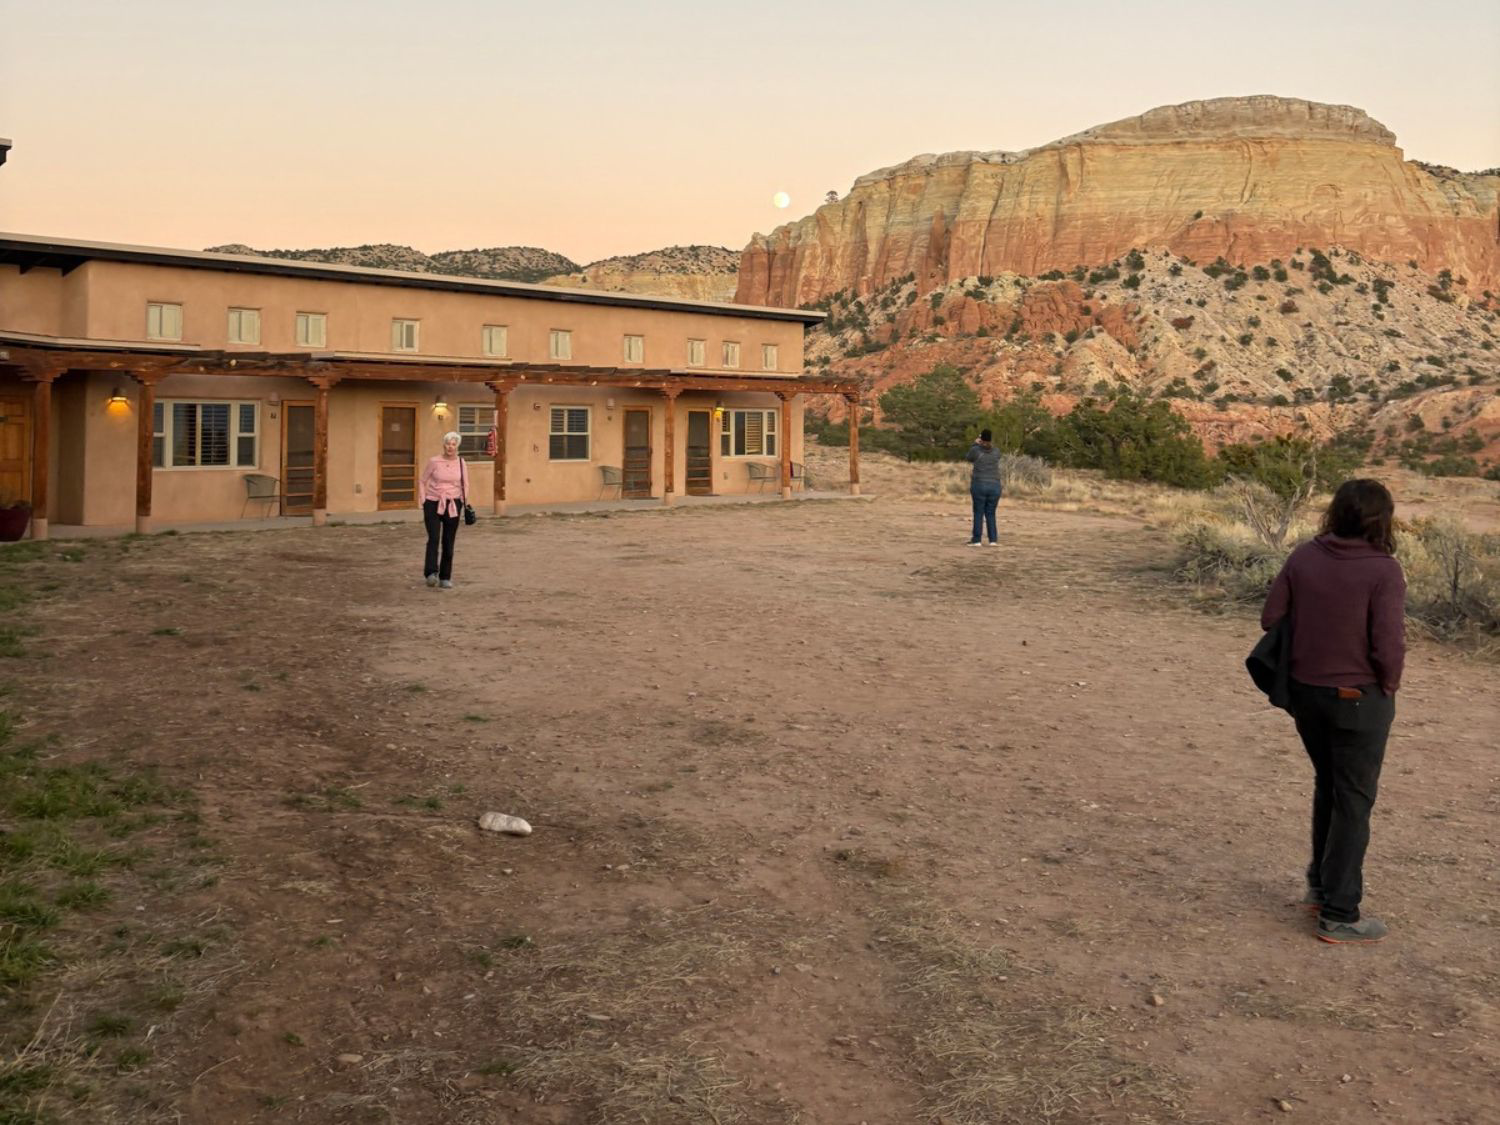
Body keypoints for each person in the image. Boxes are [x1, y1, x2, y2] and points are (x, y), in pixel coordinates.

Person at [1260, 479, 1405, 944]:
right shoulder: (1383, 570)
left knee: (1331, 786)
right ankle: (1340, 913)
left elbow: (1270, 617)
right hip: (1359, 698)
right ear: (1382, 519)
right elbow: (1387, 644)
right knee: (1353, 801)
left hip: (1306, 693)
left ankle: (1320, 888)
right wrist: (1388, 684)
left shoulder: (1305, 555)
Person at [420, 431, 471, 590]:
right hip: (434, 502)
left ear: (457, 446)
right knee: (434, 538)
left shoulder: (461, 463)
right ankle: (431, 573)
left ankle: (445, 577)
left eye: (454, 444)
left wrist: (461, 500)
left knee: (449, 541)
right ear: (444, 445)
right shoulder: (434, 461)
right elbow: (422, 481)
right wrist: (424, 500)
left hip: (453, 504)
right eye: (448, 443)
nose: (451, 447)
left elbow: (465, 484)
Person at [965, 428, 1003, 546]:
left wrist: (975, 443)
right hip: (995, 485)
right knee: (991, 513)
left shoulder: (976, 450)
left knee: (978, 512)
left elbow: (968, 458)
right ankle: (993, 540)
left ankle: (977, 540)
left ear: (981, 439)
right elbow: (996, 456)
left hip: (979, 483)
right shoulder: (996, 451)